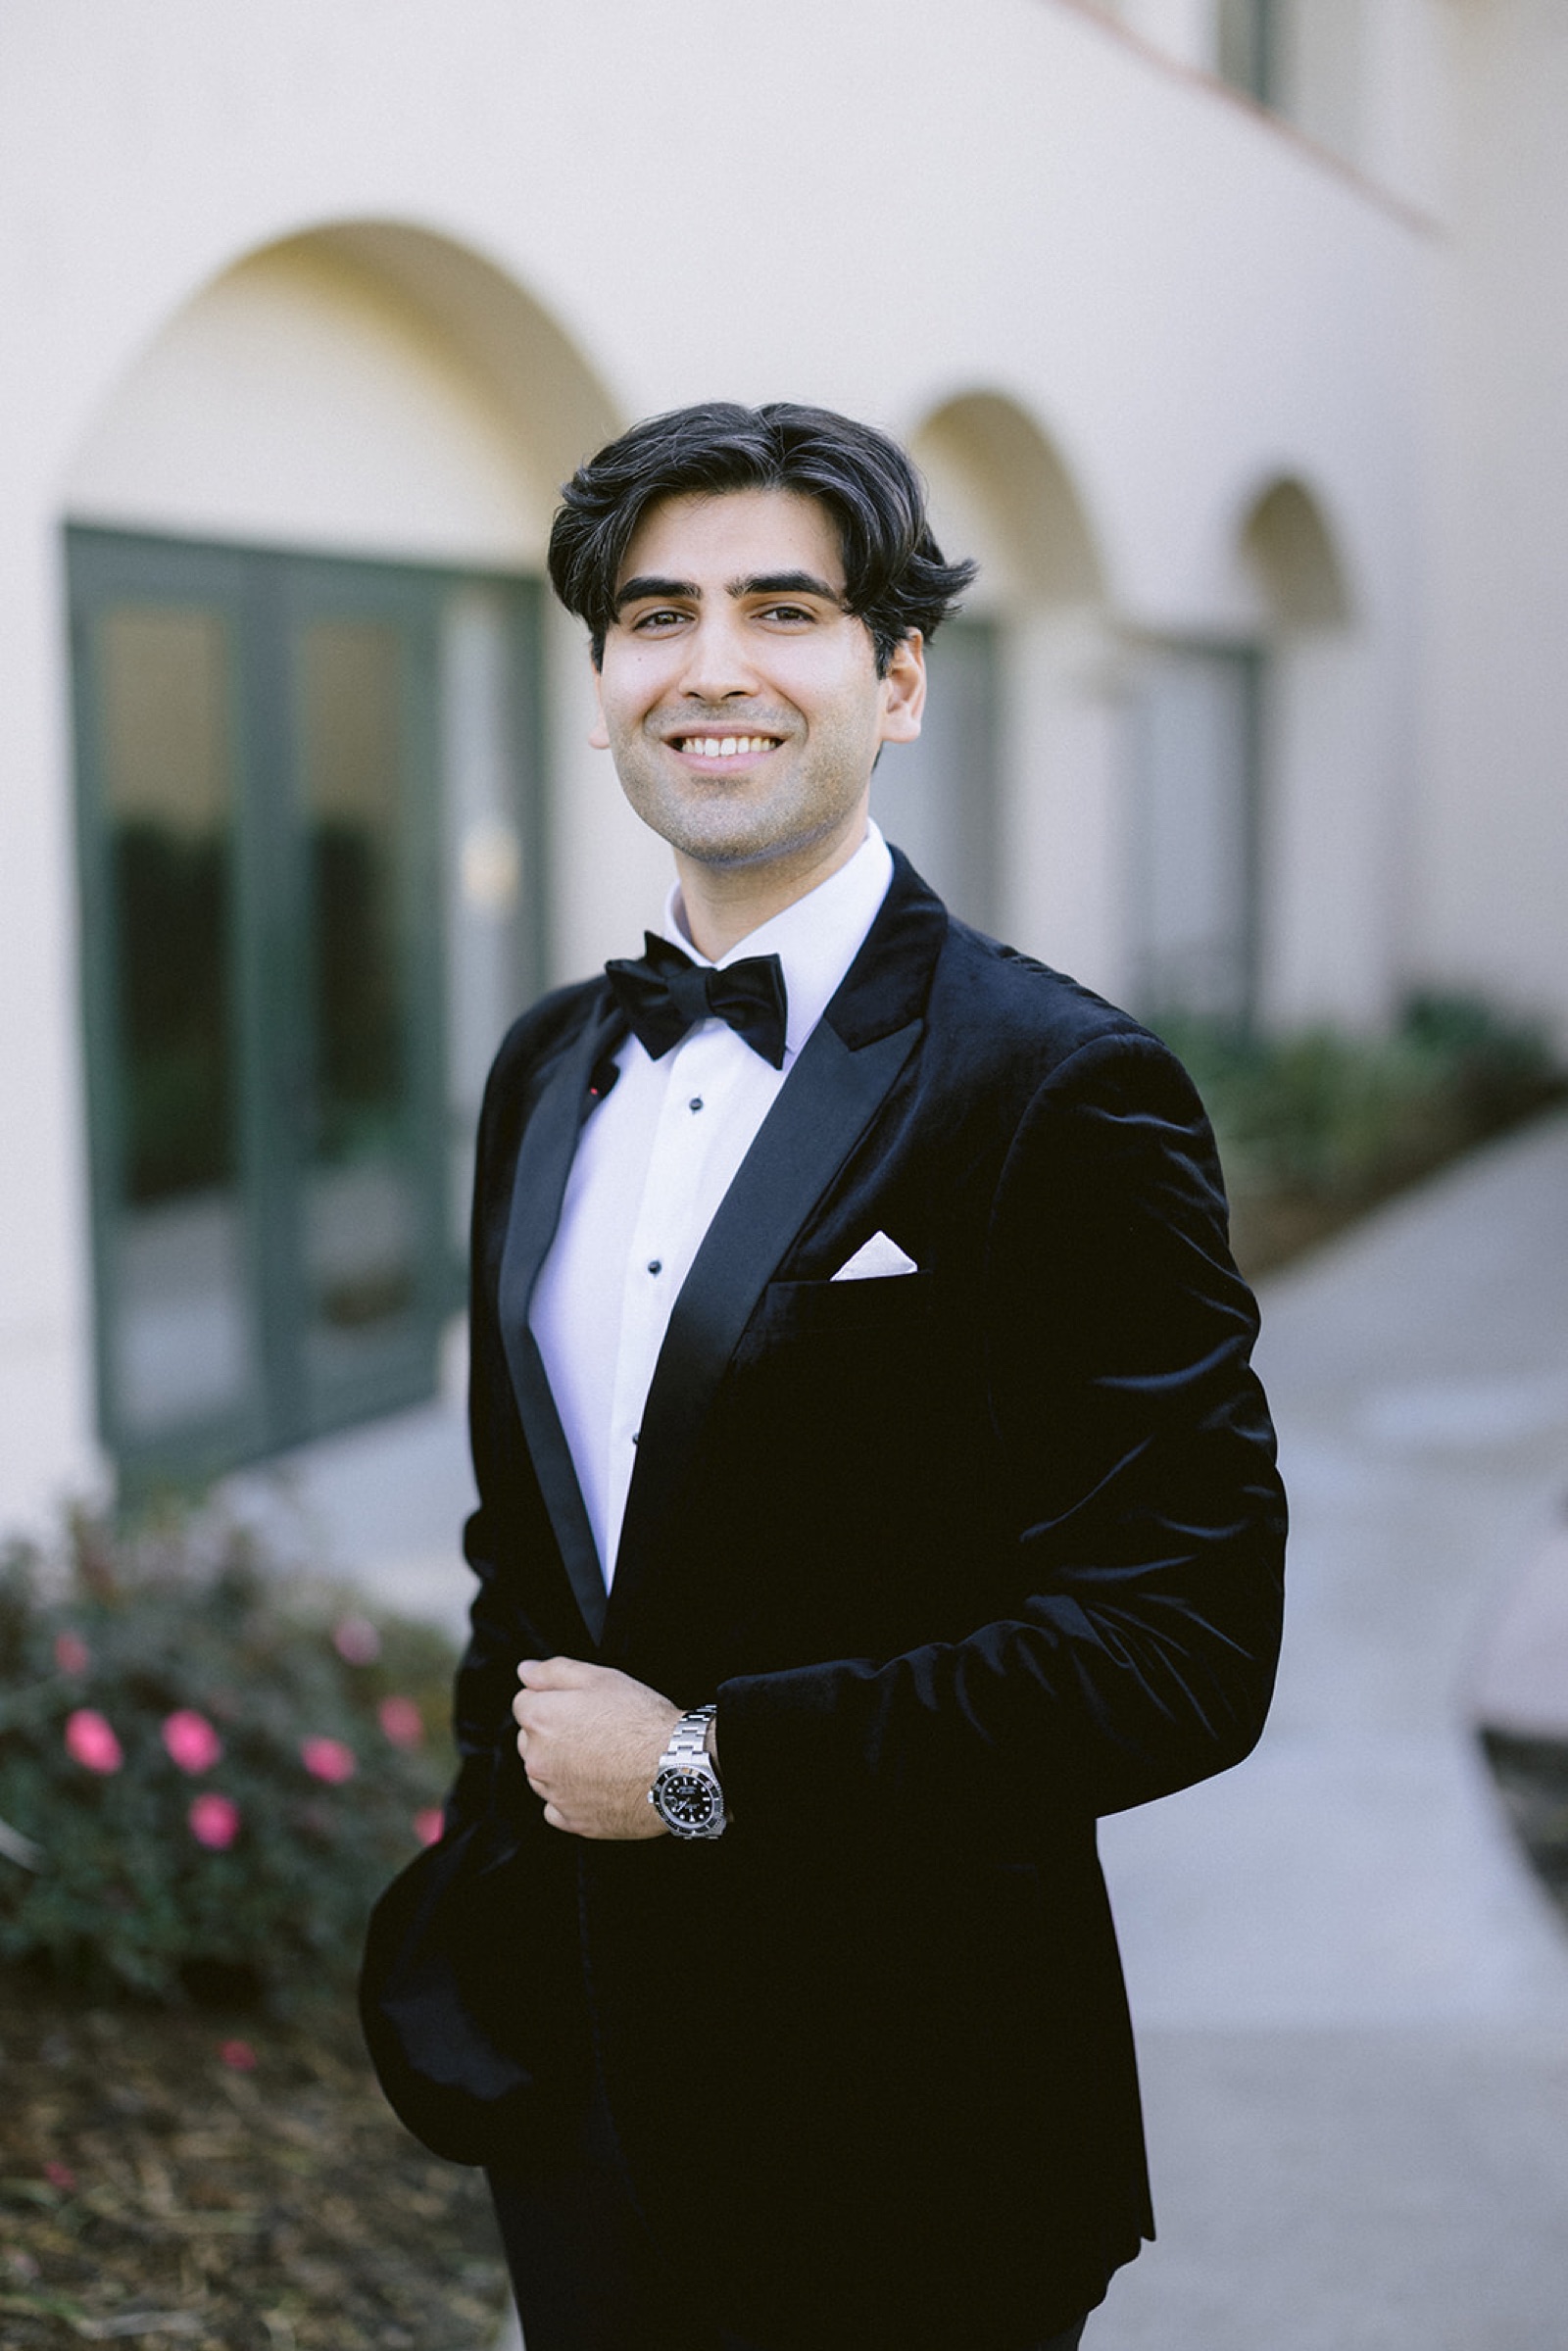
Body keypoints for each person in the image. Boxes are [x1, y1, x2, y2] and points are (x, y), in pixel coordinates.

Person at [362, 401, 1287, 2351]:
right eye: (653, 613)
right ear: (602, 681)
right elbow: (520, 1552)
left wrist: (701, 1774)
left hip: (911, 2111)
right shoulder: (546, 1065)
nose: (711, 665)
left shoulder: (1056, 1088)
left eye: (781, 609)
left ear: (896, 678)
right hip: (582, 2092)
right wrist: (486, 1896)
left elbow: (1180, 1645)